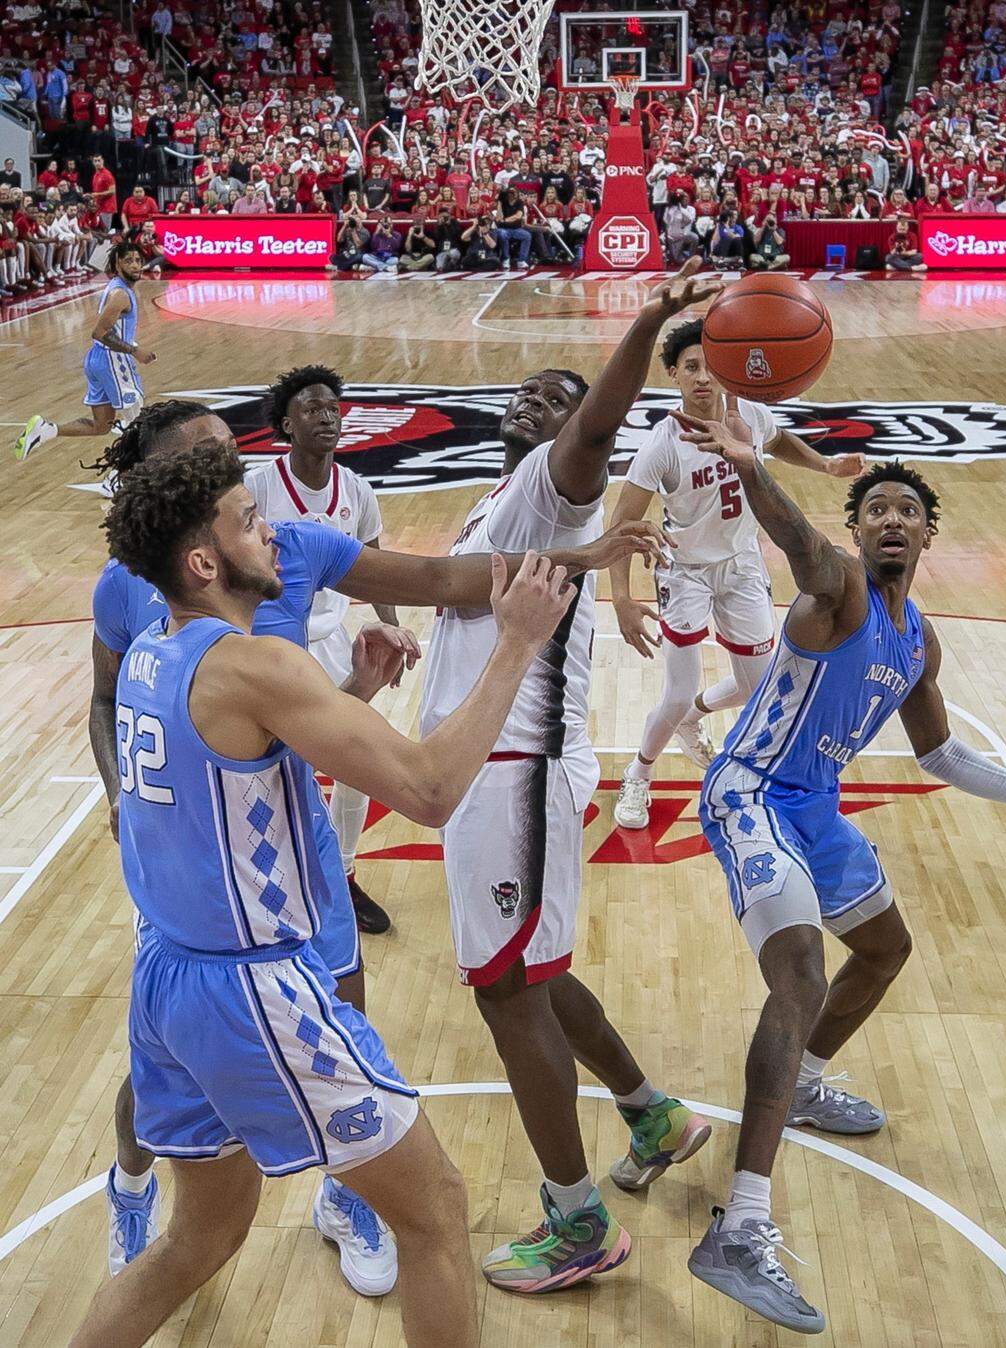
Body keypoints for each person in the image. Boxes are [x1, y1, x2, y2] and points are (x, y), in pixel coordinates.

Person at [84, 400, 665, 1290]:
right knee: (425, 1203)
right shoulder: (150, 603)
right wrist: (123, 790)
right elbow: (424, 787)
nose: (250, 497)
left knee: (318, 1043)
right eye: (209, 471)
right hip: (207, 889)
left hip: (281, 858)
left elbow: (436, 582)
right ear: (182, 521)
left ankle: (347, 1192)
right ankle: (134, 1180)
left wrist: (575, 560)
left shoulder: (268, 564)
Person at [674, 423, 1006, 1333]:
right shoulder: (835, 592)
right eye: (874, 508)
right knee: (796, 975)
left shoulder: (919, 641)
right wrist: (747, 461)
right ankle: (742, 1225)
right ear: (860, 527)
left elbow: (942, 753)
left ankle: (802, 1083)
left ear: (926, 537)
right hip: (752, 790)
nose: (889, 521)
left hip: (817, 806)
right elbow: (798, 541)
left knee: (883, 947)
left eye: (906, 512)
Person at [418, 257, 719, 1295]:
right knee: (530, 976)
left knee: (504, 993)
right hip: (500, 768)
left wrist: (640, 329)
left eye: (561, 396)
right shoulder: (500, 497)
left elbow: (593, 431)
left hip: (516, 767)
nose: (542, 404)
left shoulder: (556, 485)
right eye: (531, 391)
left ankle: (577, 1221)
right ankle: (651, 1110)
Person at [609, 319, 864, 828]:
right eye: (690, 368)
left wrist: (827, 467)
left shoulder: (748, 414)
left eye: (710, 366)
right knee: (676, 689)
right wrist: (620, 597)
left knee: (758, 687)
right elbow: (620, 523)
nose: (703, 378)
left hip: (742, 562)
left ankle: (692, 718)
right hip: (685, 570)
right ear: (674, 376)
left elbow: (781, 439)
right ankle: (639, 773)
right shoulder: (662, 444)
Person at [246, 367, 395, 933]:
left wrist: (393, 628)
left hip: (333, 642)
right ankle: (274, 882)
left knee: (357, 765)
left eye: (333, 408)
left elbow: (376, 569)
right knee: (275, 772)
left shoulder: (355, 490)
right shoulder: (257, 487)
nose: (327, 416)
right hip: (269, 648)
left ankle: (345, 875)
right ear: (287, 424)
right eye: (312, 408)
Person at [16, 240, 153, 460]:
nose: (136, 265)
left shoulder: (117, 287)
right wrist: (134, 351)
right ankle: (121, 476)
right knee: (137, 421)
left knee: (101, 426)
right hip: (113, 360)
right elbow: (99, 332)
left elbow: (111, 332)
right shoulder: (121, 295)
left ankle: (46, 430)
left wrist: (133, 345)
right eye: (129, 261)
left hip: (97, 359)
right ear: (117, 264)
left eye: (138, 260)